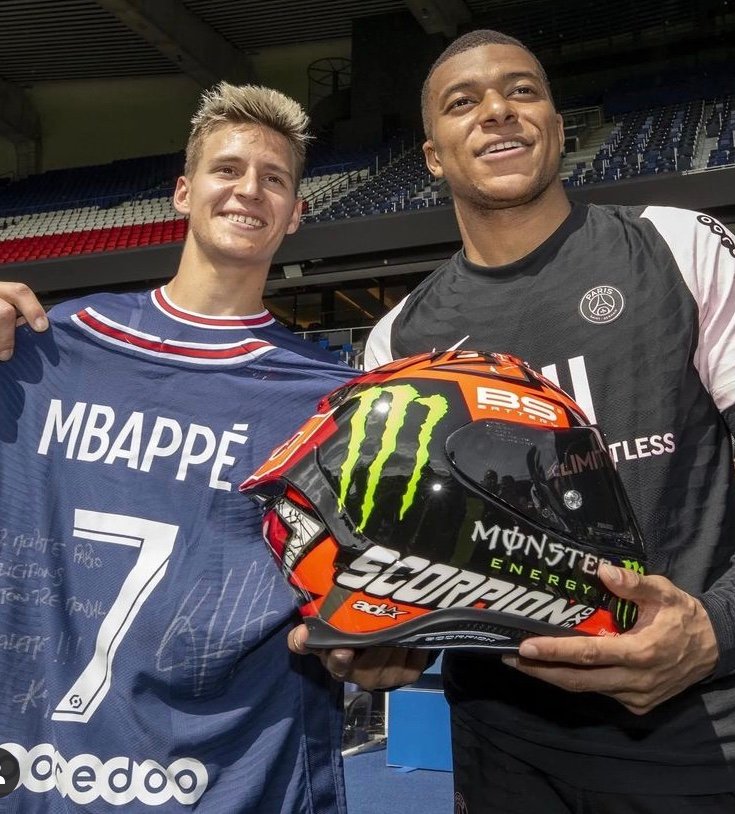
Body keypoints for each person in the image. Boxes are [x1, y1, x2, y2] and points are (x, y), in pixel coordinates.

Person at [0, 80, 420, 813]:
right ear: (182, 192)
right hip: (41, 773)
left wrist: (393, 643)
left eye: (274, 179)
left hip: (233, 783)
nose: (249, 190)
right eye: (227, 169)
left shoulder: (332, 403)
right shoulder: (46, 348)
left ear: (296, 213)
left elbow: (377, 603)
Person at [357, 28, 735, 814]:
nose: (497, 110)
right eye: (463, 102)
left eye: (521, 90)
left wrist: (714, 627)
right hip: (500, 745)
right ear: (433, 157)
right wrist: (379, 638)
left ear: (557, 127)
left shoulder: (677, 246)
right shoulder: (397, 340)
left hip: (696, 731)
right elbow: (413, 552)